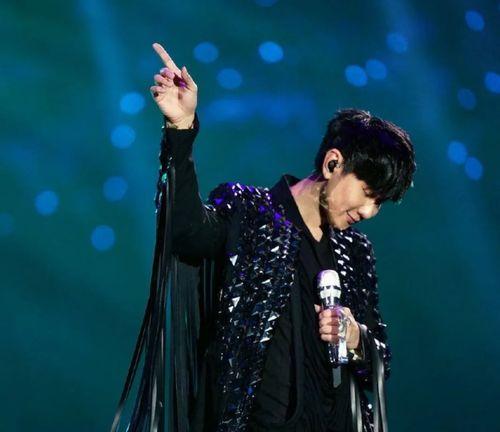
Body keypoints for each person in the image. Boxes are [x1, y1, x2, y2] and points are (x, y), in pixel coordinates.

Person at [146, 42, 416, 432]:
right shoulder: (250, 212)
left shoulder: (355, 252)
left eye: (380, 203)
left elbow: (380, 362)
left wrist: (355, 335)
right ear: (333, 163)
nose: (370, 212)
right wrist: (181, 129)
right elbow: (186, 233)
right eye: (368, 193)